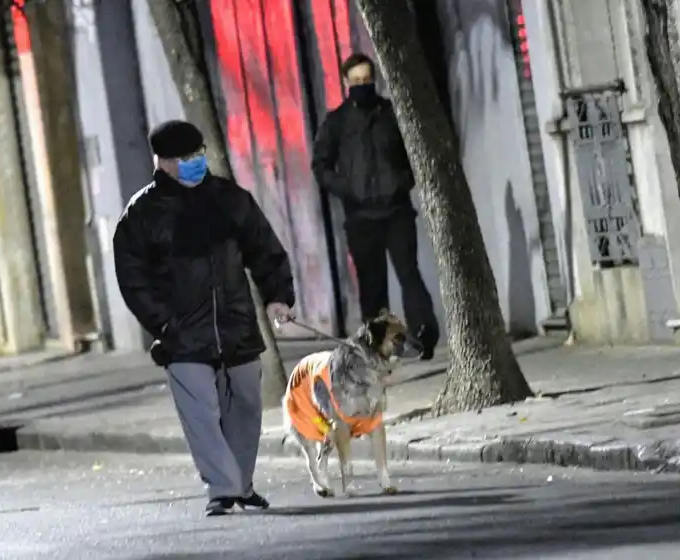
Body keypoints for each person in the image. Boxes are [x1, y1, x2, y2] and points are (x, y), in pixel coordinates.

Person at [113, 120, 296, 517]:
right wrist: (163, 323)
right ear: (163, 162)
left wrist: (278, 296)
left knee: (246, 407)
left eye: (199, 154)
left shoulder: (230, 199)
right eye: (186, 158)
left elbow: (264, 248)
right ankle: (222, 487)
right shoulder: (142, 214)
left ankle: (240, 484)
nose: (196, 162)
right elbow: (133, 278)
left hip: (236, 325)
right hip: (182, 336)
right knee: (201, 415)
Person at [312, 52, 439, 359]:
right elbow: (321, 166)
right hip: (360, 217)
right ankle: (379, 347)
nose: (361, 85)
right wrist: (347, 190)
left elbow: (414, 154)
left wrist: (402, 182)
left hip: (396, 211)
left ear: (375, 79)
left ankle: (424, 335)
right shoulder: (337, 122)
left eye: (366, 80)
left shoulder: (391, 115)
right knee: (372, 285)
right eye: (355, 81)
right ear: (345, 82)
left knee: (409, 275)